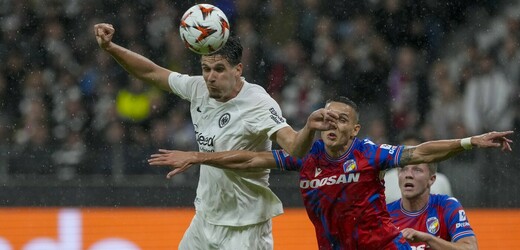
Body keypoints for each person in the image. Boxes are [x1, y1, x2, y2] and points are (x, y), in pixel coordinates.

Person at [148, 96, 513, 249]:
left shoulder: (369, 153)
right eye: (326, 116)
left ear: (355, 130)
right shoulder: (307, 156)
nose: (331, 122)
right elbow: (248, 159)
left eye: (341, 118)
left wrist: (470, 141)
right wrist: (198, 157)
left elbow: (422, 151)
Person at [94, 23, 337, 249]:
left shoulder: (258, 103)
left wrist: (308, 129)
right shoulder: (198, 88)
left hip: (246, 226)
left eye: (219, 69)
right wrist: (110, 47)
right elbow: (151, 72)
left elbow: (294, 148)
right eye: (206, 68)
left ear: (238, 69)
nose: (210, 76)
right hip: (205, 219)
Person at [386, 153, 478, 249]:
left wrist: (428, 239)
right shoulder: (385, 215)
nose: (408, 175)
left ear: (431, 179)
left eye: (417, 170)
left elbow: (471, 248)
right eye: (403, 169)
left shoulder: (446, 206)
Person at [384, 132, 453, 203]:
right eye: (406, 151)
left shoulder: (441, 181)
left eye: (414, 150)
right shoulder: (386, 179)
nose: (411, 156)